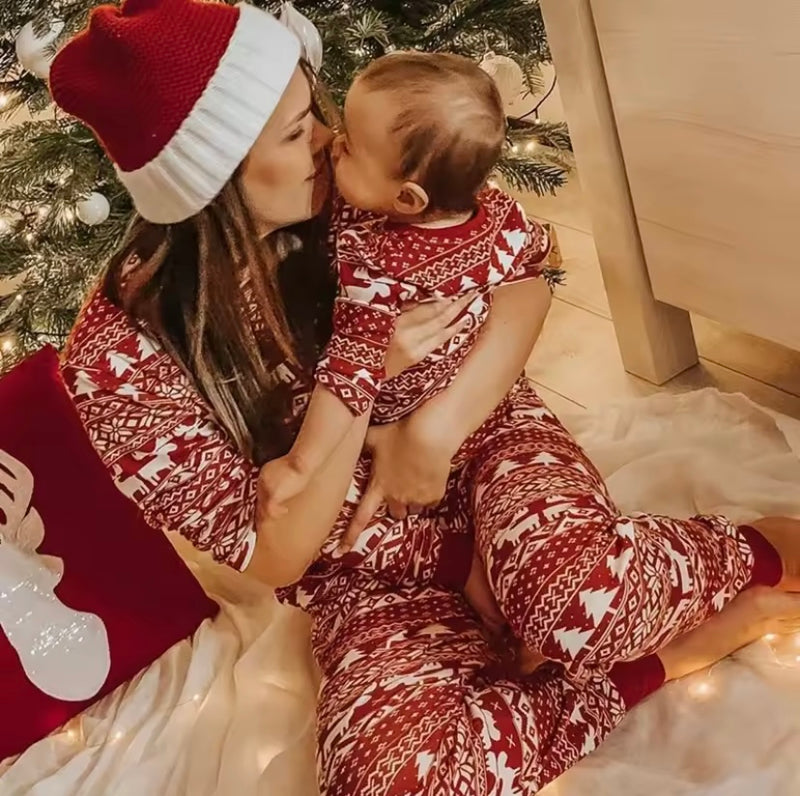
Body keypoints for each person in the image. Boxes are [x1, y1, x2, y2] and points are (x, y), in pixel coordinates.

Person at [50, 1, 800, 794]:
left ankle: (760, 550)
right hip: (362, 569)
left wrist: (434, 434)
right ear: (215, 176)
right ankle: (654, 663)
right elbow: (278, 551)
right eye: (294, 131)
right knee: (393, 780)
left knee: (578, 599)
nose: (327, 139)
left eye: (315, 113)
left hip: (485, 444)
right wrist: (366, 383)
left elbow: (525, 280)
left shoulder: (369, 181)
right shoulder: (118, 362)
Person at [259, 51, 551, 519]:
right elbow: (535, 254)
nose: (331, 142)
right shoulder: (500, 217)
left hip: (427, 419)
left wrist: (299, 465)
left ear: (408, 198)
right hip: (457, 413)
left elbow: (350, 370)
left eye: (350, 146)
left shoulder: (379, 265)